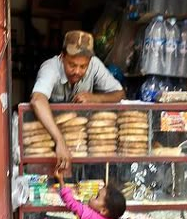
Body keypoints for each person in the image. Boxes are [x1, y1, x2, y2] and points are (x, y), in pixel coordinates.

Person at [31, 30, 126, 171]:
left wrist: (95, 98)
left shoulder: (94, 65)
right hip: (50, 142)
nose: (77, 71)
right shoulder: (50, 68)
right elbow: (37, 100)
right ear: (62, 57)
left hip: (82, 143)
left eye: (83, 67)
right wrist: (60, 141)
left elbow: (120, 94)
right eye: (72, 65)